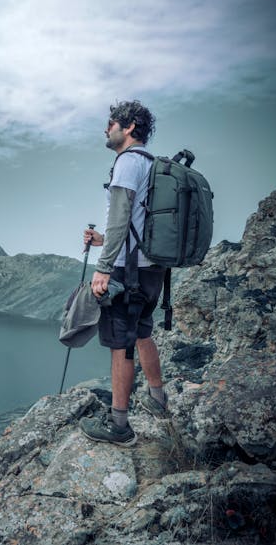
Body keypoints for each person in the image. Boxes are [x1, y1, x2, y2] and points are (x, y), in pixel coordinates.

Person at [79, 100, 169, 447]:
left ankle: (119, 427)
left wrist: (103, 267)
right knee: (142, 331)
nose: (106, 128)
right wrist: (104, 241)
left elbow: (119, 217)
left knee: (121, 344)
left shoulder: (127, 163)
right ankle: (158, 399)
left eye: (111, 122)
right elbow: (134, 225)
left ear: (129, 127)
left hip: (127, 271)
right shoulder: (151, 164)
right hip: (152, 268)